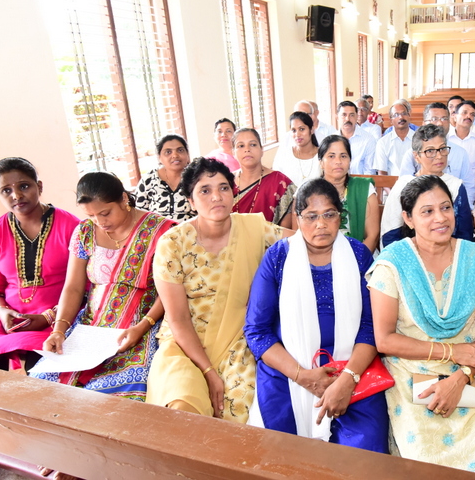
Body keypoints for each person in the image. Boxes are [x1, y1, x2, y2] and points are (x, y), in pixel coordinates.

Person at [367, 176, 475, 478]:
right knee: (425, 468)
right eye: (427, 211)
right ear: (408, 219)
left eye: (446, 207)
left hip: (472, 372)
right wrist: (452, 352)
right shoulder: (393, 263)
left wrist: (462, 376)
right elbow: (385, 340)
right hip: (412, 376)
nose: (440, 218)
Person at [245, 179, 388, 452]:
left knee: (365, 454)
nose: (321, 224)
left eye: (329, 214)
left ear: (340, 216)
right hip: (288, 370)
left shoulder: (359, 255)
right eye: (311, 216)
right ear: (298, 218)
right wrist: (302, 376)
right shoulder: (277, 258)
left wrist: (347, 379)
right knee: (282, 455)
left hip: (353, 368)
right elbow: (257, 331)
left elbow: (371, 325)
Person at [146, 157, 290, 420]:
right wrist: (208, 372)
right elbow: (178, 319)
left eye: (223, 188)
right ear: (190, 201)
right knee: (182, 407)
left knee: (240, 407)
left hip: (237, 339)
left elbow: (303, 242)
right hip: (184, 342)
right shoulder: (172, 243)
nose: (216, 197)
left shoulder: (254, 229)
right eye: (205, 190)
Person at [37, 172, 175, 400]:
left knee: (123, 394)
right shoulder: (84, 231)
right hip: (91, 327)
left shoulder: (161, 232)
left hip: (141, 326)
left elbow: (171, 290)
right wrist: (59, 331)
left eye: (105, 213)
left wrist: (142, 327)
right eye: (91, 215)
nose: (100, 222)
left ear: (124, 199)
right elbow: (73, 287)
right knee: (47, 389)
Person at [0, 158, 78, 376]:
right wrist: (2, 311)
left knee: (44, 371)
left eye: (24, 186)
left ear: (39, 186)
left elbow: (87, 287)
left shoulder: (71, 227)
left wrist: (48, 317)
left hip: (61, 318)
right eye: (6, 190)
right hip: (9, 320)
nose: (16, 195)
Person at [381, 125, 473, 248]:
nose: (439, 156)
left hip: (450, 252)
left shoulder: (456, 186)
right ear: (416, 156)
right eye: (430, 151)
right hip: (409, 253)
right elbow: (390, 233)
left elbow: (465, 234)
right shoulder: (403, 185)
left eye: (442, 149)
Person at [312, 135, 380, 252]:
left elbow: (372, 236)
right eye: (331, 156)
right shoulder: (310, 192)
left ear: (350, 161)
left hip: (360, 255)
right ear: (321, 162)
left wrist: (357, 260)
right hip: (320, 257)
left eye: (343, 156)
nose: (338, 161)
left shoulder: (364, 189)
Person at [398, 102, 475, 203]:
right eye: (434, 119)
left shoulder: (461, 153)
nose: (439, 123)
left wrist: (466, 207)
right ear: (424, 123)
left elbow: (469, 186)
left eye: (444, 119)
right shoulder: (413, 153)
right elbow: (405, 186)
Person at [232, 128, 296, 228]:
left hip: (272, 238)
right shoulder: (226, 183)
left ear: (262, 150)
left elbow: (285, 231)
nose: (247, 149)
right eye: (241, 146)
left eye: (253, 144)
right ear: (233, 153)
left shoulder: (280, 183)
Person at [135, 134, 194, 222]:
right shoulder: (148, 180)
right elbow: (138, 213)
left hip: (191, 229)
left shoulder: (196, 178)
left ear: (187, 154)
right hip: (156, 229)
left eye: (180, 150)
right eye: (168, 152)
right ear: (159, 157)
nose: (175, 155)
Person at [272, 111, 320, 186]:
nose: (297, 134)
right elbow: (276, 181)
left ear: (311, 130)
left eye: (302, 129)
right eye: (294, 130)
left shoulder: (322, 155)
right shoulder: (284, 155)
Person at [450, 100, 475, 183]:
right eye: (464, 113)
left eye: (472, 114)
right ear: (455, 117)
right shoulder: (446, 139)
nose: (468, 116)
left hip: (472, 185)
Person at [373, 101, 415, 176]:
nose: (401, 117)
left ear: (409, 116)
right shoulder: (383, 142)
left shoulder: (419, 139)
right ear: (391, 120)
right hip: (392, 182)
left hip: (416, 182)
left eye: (404, 113)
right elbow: (382, 173)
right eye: (396, 115)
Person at [336, 101, 376, 175]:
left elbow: (369, 172)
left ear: (357, 117)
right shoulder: (331, 139)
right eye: (344, 115)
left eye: (352, 115)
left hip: (359, 181)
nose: (347, 119)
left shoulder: (368, 139)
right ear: (337, 117)